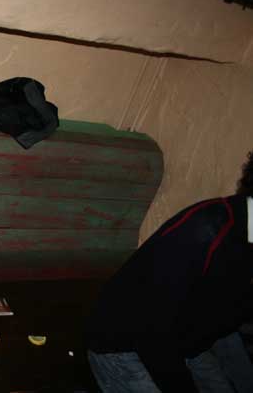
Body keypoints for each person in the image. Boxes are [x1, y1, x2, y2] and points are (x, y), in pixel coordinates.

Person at [86, 151, 253, 392]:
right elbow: (151, 332)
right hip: (124, 346)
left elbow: (227, 318)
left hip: (184, 341)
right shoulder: (207, 230)